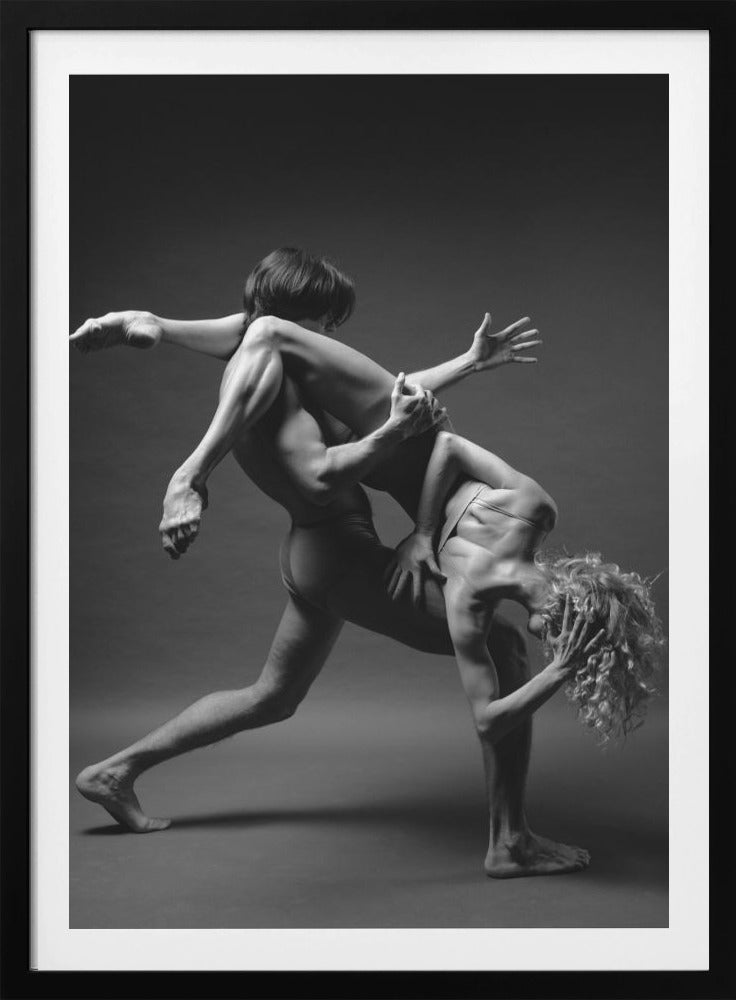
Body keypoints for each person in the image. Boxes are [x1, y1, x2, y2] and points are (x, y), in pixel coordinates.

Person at [71, 248, 605, 877]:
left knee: (272, 697)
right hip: (337, 551)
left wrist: (465, 364)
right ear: (292, 316)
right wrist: (391, 438)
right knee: (507, 645)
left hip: (316, 552)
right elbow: (320, 476)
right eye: (324, 321)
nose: (329, 335)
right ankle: (510, 842)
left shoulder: (267, 370)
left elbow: (378, 396)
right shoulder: (268, 347)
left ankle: (115, 771)